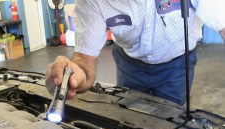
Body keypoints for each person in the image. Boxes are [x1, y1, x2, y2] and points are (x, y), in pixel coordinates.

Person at [45, 0, 225, 105]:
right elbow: (85, 59)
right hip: (129, 65)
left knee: (171, 126)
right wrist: (75, 76)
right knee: (130, 119)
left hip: (176, 65)